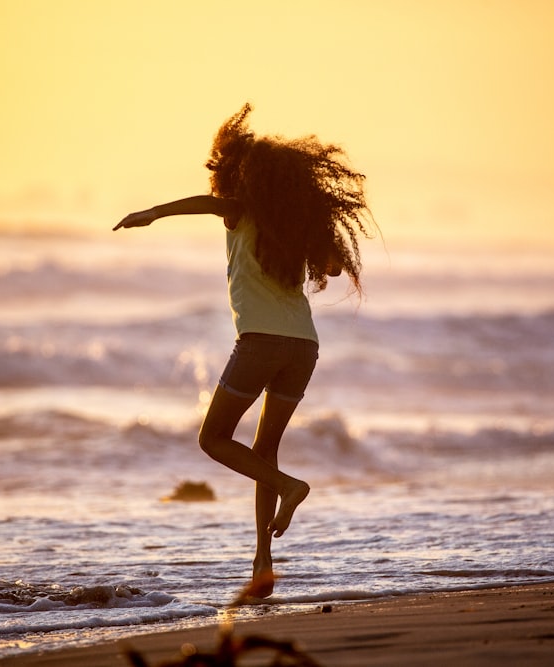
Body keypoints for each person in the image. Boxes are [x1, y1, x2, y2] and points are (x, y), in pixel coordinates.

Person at [113, 103, 376, 598]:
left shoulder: (240, 209)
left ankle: (290, 488)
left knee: (212, 440)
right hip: (303, 347)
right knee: (263, 453)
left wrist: (155, 212)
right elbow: (335, 268)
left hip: (259, 343)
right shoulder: (292, 227)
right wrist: (317, 227)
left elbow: (208, 205)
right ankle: (262, 562)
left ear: (237, 173)